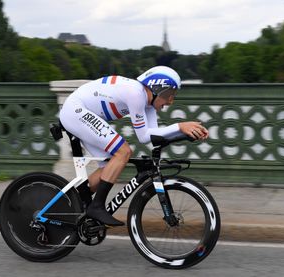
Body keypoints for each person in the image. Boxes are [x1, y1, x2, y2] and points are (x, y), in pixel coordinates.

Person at [59, 66, 209, 226]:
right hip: (75, 111)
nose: (171, 101)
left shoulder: (148, 103)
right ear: (158, 88)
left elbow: (154, 136)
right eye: (170, 95)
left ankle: (72, 204)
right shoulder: (136, 94)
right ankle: (96, 207)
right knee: (123, 152)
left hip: (82, 113)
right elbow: (143, 136)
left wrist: (186, 135)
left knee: (109, 167)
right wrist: (180, 126)